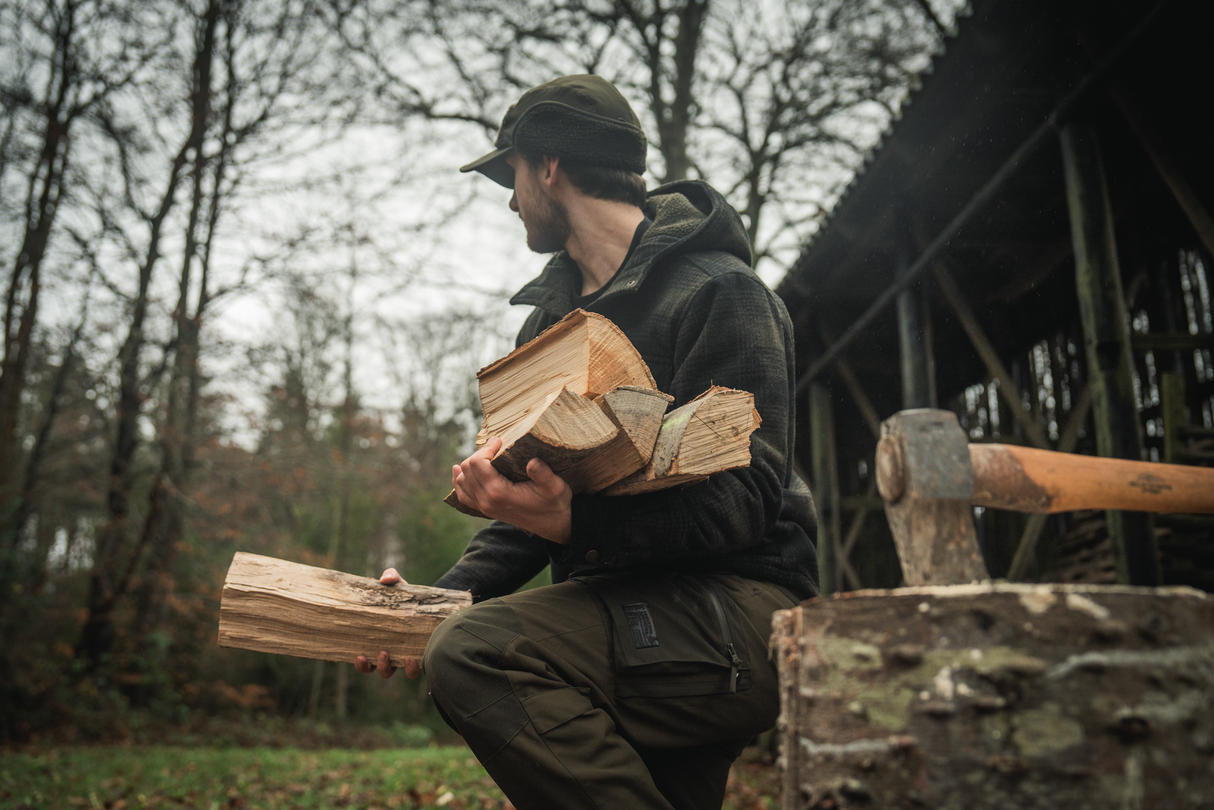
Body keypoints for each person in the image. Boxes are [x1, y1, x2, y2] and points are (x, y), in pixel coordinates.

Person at [356, 74, 818, 810]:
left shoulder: (721, 293)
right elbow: (531, 503)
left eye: (511, 174)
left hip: (743, 611)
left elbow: (747, 501)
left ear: (548, 166)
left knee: (477, 653)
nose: (510, 199)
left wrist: (573, 523)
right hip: (620, 613)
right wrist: (431, 602)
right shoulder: (547, 333)